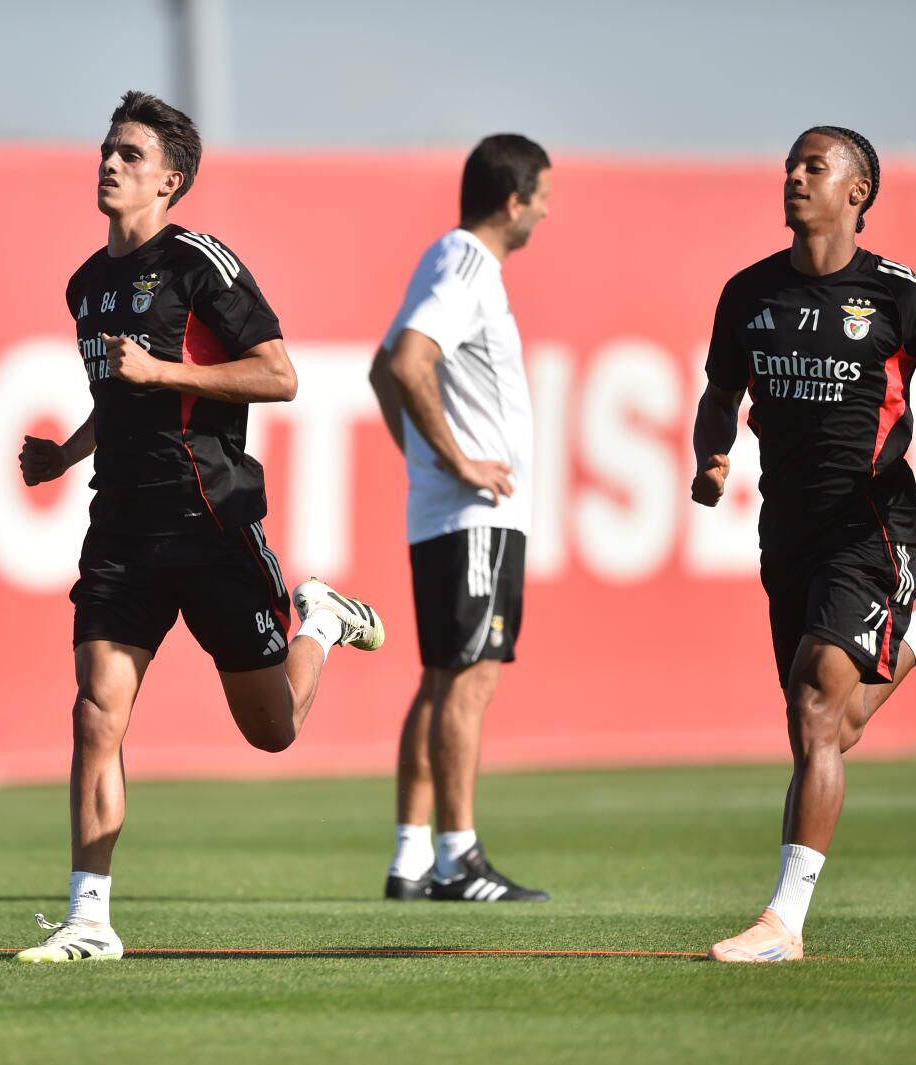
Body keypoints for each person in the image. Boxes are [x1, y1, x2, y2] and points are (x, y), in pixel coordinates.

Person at [14, 91, 384, 964]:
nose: (109, 163)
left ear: (171, 180)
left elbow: (280, 374)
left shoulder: (201, 265)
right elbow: (121, 394)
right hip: (123, 533)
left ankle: (320, 618)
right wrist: (67, 457)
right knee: (95, 712)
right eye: (106, 149)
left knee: (272, 729)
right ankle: (91, 920)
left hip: (212, 523)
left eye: (131, 155)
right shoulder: (86, 284)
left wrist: (164, 366)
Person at [692, 125, 916, 963]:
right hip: (788, 531)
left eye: (815, 166)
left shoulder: (898, 295)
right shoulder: (747, 294)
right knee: (830, 730)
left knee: (815, 711)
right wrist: (711, 452)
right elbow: (719, 390)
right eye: (789, 166)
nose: (795, 177)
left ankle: (784, 924)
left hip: (870, 527)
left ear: (858, 193)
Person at [367, 134, 551, 903]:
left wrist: (424, 459)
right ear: (514, 201)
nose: (546, 209)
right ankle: (458, 857)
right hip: (474, 513)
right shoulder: (471, 264)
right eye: (542, 193)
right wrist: (453, 462)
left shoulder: (445, 258)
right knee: (471, 680)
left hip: (453, 513)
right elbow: (407, 362)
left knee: (444, 678)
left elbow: (384, 369)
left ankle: (413, 855)